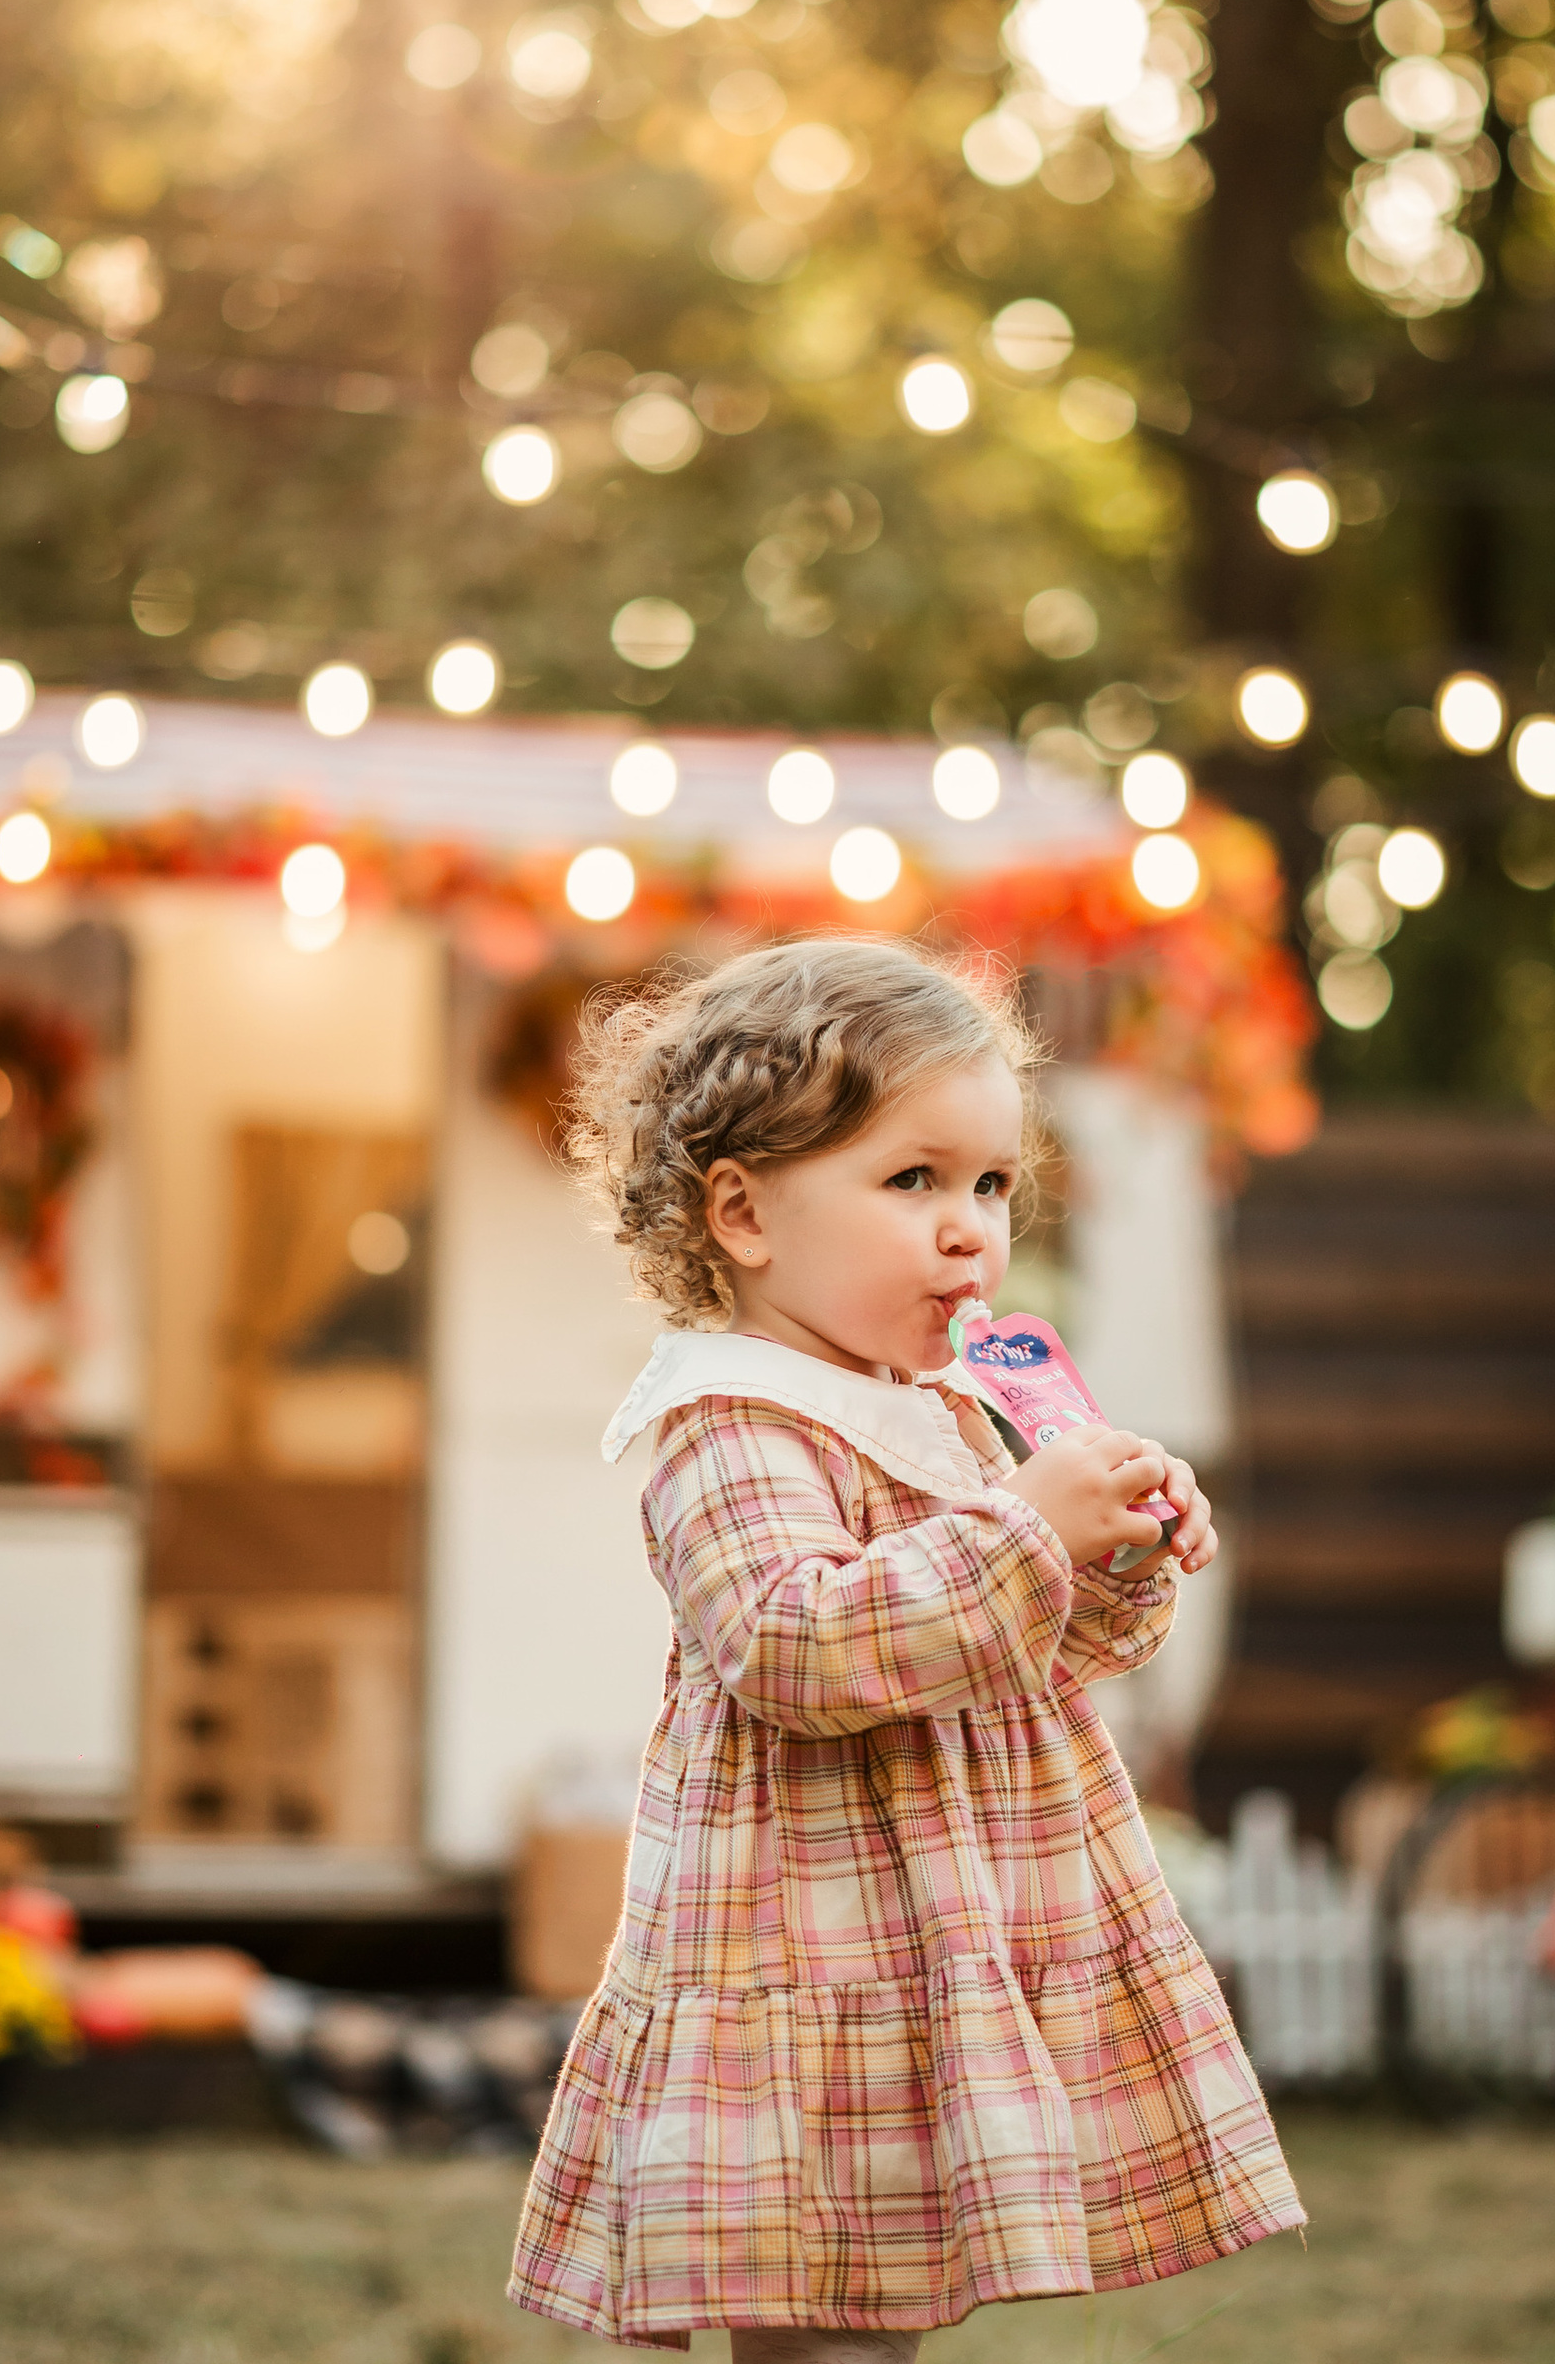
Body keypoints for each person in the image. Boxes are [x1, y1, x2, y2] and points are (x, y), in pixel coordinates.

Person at [507, 937, 1304, 2359]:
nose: (969, 1230)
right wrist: (1027, 1530)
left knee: (881, 2312)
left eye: (991, 1185)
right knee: (818, 2314)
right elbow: (796, 1644)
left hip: (942, 1941)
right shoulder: (729, 1424)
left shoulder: (947, 1413)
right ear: (743, 1214)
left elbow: (1028, 1649)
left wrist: (1115, 1551)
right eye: (913, 1180)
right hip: (808, 1959)